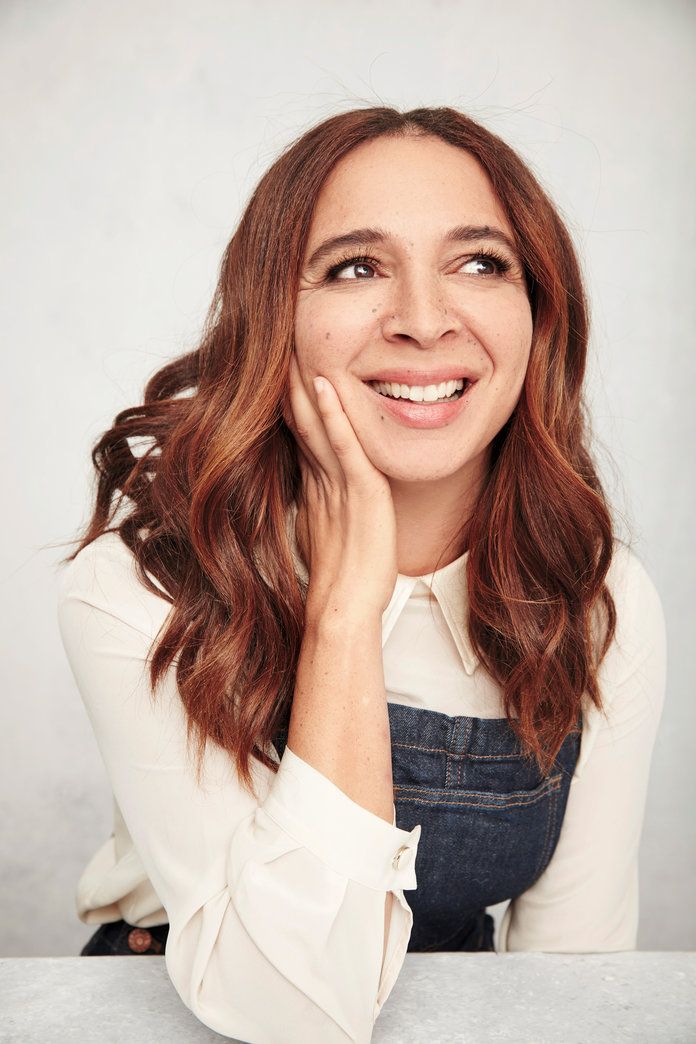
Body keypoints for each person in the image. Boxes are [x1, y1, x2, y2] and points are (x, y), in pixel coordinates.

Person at [56, 106, 667, 1044]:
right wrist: (346, 611)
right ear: (276, 317)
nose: (424, 322)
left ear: (541, 314)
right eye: (355, 267)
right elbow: (284, 1007)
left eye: (479, 263)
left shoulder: (599, 601)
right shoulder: (142, 591)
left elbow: (571, 987)